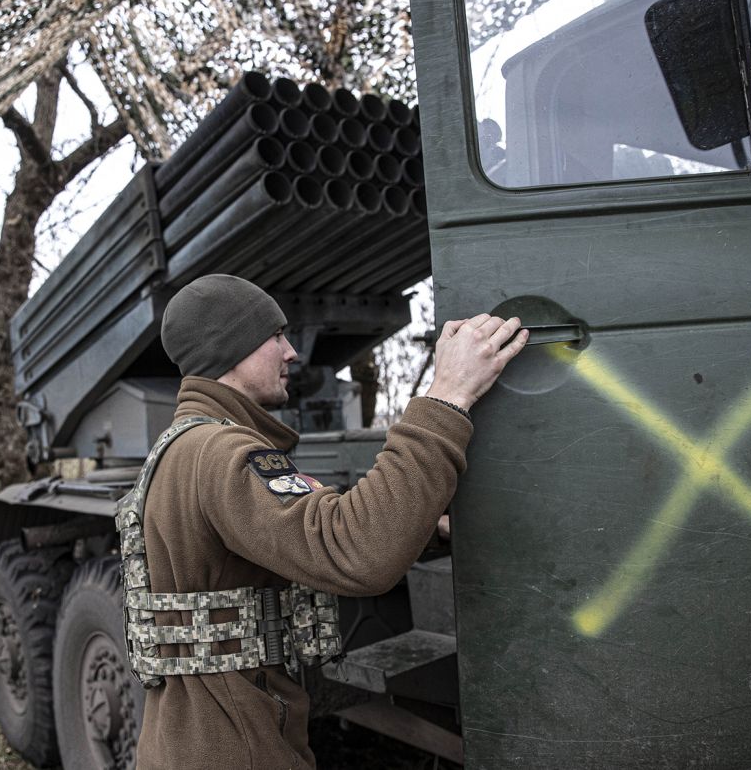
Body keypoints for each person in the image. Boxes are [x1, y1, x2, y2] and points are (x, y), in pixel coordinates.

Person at [123, 274, 527, 769]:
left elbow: (311, 534)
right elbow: (355, 551)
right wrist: (447, 398)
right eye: (274, 336)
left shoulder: (189, 446)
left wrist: (426, 530)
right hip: (236, 750)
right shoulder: (219, 452)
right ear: (231, 348)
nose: (291, 352)